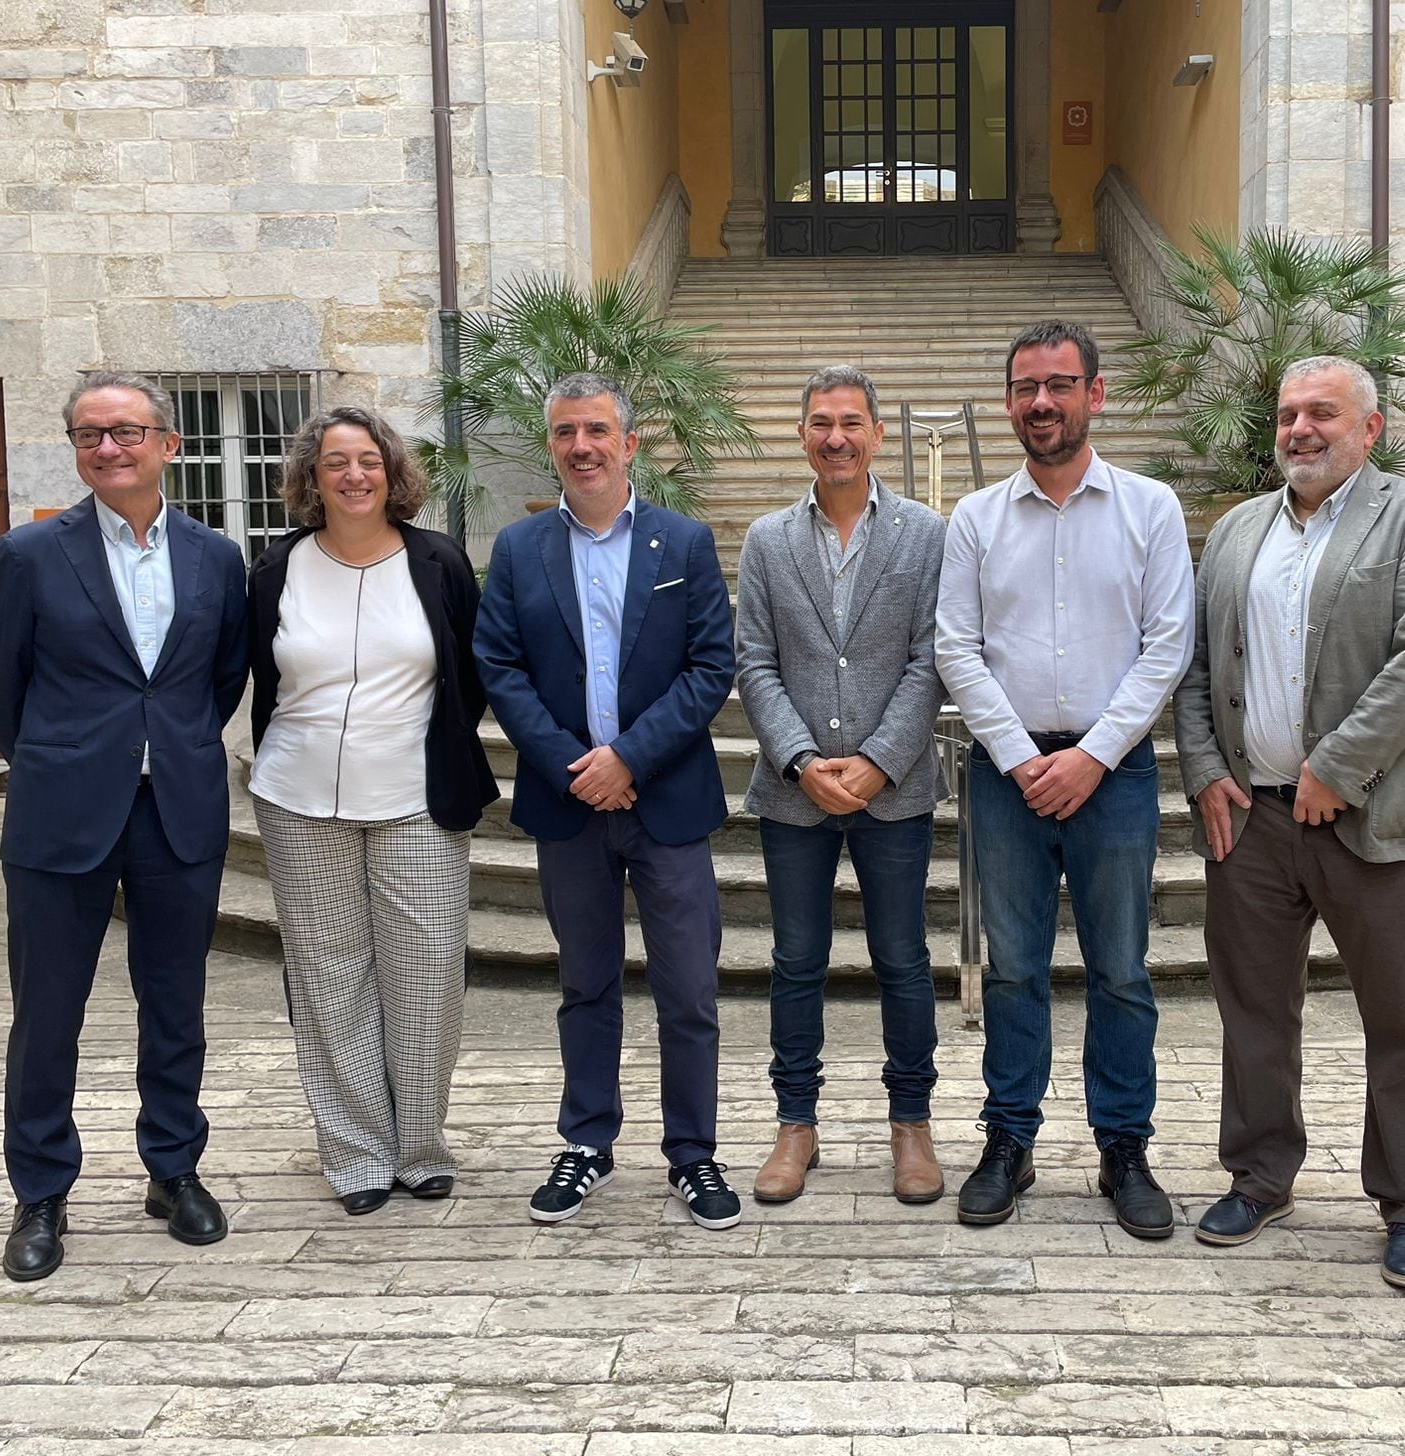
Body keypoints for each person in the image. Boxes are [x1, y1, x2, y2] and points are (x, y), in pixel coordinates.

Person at [1171, 356, 1405, 1289]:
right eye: (1289, 414)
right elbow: (1193, 668)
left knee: (1401, 1018)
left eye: (1323, 414)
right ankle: (1260, 1175)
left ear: (1369, 429)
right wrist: (1206, 771)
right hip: (1251, 820)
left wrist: (1336, 768)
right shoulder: (1235, 532)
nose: (1301, 429)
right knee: (1255, 1011)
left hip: (1374, 817)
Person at [0, 371, 248, 1281]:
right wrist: (68, 759)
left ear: (167, 444)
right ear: (76, 450)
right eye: (91, 436)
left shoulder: (215, 557)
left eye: (128, 432)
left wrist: (163, 748)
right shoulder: (27, 554)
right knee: (46, 1013)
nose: (109, 449)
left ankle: (174, 1170)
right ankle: (42, 1190)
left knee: (176, 1006)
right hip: (61, 818)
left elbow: (218, 681)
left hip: (176, 810)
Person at [934, 320, 1195, 1239]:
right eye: (1025, 388)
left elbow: (1169, 646)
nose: (1041, 403)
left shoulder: (1151, 509)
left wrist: (1093, 756)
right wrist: (1018, 756)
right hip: (1007, 777)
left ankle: (1123, 1146)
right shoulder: (973, 519)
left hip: (1113, 772)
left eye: (1059, 384)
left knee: (1121, 970)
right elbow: (955, 648)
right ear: (1009, 401)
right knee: (1012, 973)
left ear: (1096, 392)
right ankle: (1010, 1138)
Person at [473, 372, 741, 1229]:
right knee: (585, 986)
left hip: (665, 803)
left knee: (689, 992)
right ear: (552, 446)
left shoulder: (684, 543)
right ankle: (586, 1143)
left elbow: (710, 667)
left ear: (628, 443)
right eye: (565, 433)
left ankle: (692, 1156)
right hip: (569, 808)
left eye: (596, 430)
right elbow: (501, 669)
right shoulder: (519, 550)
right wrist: (573, 766)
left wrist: (628, 757)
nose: (581, 446)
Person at [245, 407, 497, 1216]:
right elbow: (256, 674)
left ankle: (420, 1146)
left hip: (417, 796)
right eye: (334, 463)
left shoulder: (439, 561)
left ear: (392, 473)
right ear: (310, 479)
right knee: (328, 977)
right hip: (299, 796)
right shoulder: (277, 569)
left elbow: (470, 667)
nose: (354, 476)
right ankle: (356, 1153)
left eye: (368, 461)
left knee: (426, 976)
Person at [736, 365, 948, 1205]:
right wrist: (798, 758)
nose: (836, 437)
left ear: (878, 434)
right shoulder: (766, 540)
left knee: (902, 960)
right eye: (821, 422)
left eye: (852, 422)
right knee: (796, 961)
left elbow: (934, 656)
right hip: (794, 792)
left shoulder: (926, 534)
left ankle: (912, 1125)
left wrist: (880, 759)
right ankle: (796, 1124)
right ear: (801, 436)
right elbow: (753, 661)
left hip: (893, 792)